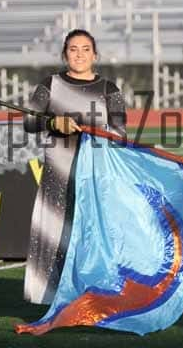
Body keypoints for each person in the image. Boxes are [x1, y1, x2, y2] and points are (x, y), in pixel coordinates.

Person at [22, 29, 126, 304]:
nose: (79, 54)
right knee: (56, 233)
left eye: (85, 49)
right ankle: (52, 298)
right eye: (73, 49)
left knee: (89, 235)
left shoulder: (109, 89)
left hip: (94, 174)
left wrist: (96, 131)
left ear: (95, 54)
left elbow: (120, 133)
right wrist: (52, 123)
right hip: (58, 173)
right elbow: (29, 122)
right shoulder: (51, 84)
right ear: (65, 54)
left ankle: (91, 297)